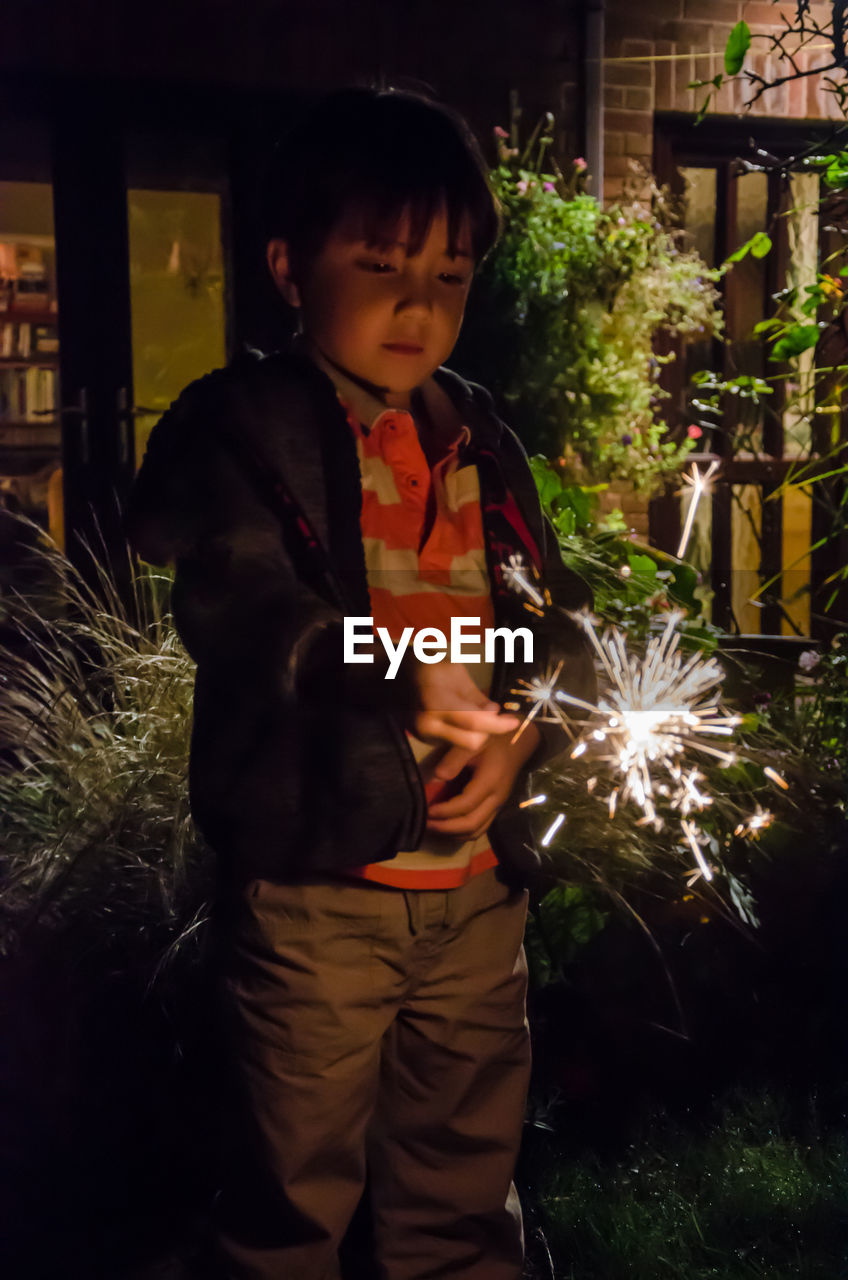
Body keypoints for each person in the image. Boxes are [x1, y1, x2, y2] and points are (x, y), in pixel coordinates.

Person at [124, 84, 596, 1280]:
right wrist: (402, 668)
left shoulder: (477, 436)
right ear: (289, 265)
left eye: (448, 273)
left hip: (475, 894)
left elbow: (546, 624)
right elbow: (250, 615)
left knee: (459, 1188)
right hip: (316, 894)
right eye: (381, 261)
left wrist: (524, 729)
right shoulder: (243, 429)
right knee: (289, 1196)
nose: (417, 303)